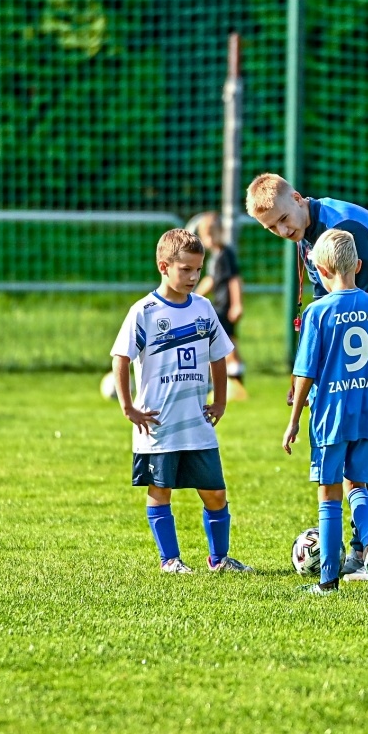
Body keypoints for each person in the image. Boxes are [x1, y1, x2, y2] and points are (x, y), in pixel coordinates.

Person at [246, 172, 368, 581]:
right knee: (363, 446)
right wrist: (307, 375)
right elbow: (327, 310)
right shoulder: (307, 237)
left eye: (283, 218)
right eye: (271, 228)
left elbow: (361, 313)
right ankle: (361, 552)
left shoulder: (342, 230)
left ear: (297, 199)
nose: (282, 230)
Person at [110, 228, 251, 572]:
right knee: (161, 491)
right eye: (185, 269)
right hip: (158, 423)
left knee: (215, 492)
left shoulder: (203, 309)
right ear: (163, 266)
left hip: (197, 423)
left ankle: (219, 560)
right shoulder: (144, 311)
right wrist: (128, 406)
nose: (193, 276)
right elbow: (121, 358)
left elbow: (219, 355)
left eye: (198, 270)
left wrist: (220, 402)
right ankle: (169, 559)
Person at [282, 230, 368, 595]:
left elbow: (305, 372)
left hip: (329, 417)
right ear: (359, 266)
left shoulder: (318, 312)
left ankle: (328, 580)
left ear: (319, 269)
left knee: (329, 494)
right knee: (359, 487)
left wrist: (293, 421)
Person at [194, 212, 247, 398]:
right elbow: (210, 280)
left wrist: (237, 304)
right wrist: (193, 296)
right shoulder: (214, 257)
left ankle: (237, 380)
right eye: (204, 236)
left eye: (211, 234)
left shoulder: (226, 254)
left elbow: (234, 280)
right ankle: (224, 379)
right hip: (216, 306)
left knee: (229, 343)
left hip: (226, 306)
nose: (207, 240)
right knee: (220, 342)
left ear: (220, 232)